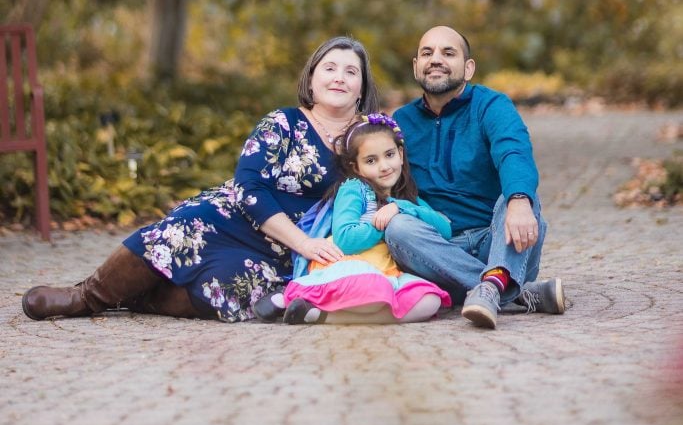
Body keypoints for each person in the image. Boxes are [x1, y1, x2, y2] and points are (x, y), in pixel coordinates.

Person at [22, 36, 380, 323]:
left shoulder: (371, 140)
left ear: (362, 88)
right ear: (312, 79)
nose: (339, 77)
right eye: (329, 67)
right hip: (234, 218)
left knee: (227, 287)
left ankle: (136, 298)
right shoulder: (284, 122)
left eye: (351, 72)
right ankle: (86, 297)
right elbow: (248, 187)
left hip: (289, 253)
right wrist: (302, 241)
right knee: (178, 233)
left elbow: (387, 189)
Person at [385, 25, 565, 330]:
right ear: (416, 67)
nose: (436, 59)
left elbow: (513, 153)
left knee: (519, 197)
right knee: (398, 228)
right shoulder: (401, 122)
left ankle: (493, 285)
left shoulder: (492, 106)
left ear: (468, 68)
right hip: (437, 249)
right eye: (427, 53)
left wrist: (519, 202)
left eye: (448, 52)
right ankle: (511, 291)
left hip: (496, 240)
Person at [253, 114, 451, 325]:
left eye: (389, 155)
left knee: (429, 302)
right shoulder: (355, 189)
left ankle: (321, 315)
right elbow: (345, 240)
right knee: (373, 293)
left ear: (400, 154)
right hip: (352, 266)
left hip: (386, 271)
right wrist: (383, 224)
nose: (384, 166)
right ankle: (297, 297)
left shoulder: (404, 198)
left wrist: (401, 208)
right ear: (356, 167)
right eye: (371, 160)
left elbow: (445, 230)